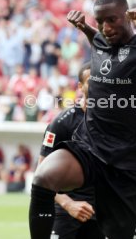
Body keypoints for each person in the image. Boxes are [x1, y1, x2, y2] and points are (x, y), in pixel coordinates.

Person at [29, 0, 136, 239]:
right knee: (43, 178)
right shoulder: (100, 42)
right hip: (91, 148)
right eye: (100, 22)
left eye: (112, 20)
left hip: (127, 164)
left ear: (127, 17)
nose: (105, 27)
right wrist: (85, 27)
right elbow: (100, 40)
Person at [38, 62, 105, 239]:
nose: (98, 83)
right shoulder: (61, 123)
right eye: (92, 80)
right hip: (64, 212)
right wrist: (68, 204)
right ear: (80, 86)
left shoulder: (111, 123)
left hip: (100, 213)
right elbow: (41, 171)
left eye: (101, 79)